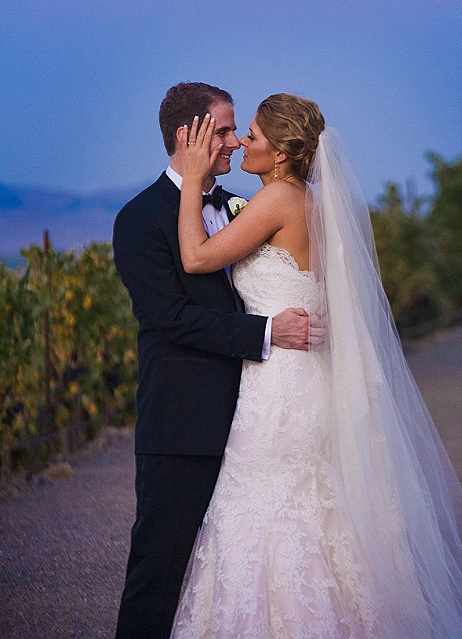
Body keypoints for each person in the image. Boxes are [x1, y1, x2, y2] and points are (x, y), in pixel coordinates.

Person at [170, 93, 462, 639]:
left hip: (279, 390)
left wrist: (192, 179)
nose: (241, 144)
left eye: (252, 136)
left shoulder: (278, 198)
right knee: (315, 511)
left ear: (280, 153)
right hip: (310, 380)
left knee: (266, 508)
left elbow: (195, 258)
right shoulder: (313, 201)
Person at [112, 83, 312, 639]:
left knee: (243, 571)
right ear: (188, 136)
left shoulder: (245, 205)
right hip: (185, 422)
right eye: (223, 130)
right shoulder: (139, 218)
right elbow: (169, 317)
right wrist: (266, 331)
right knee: (159, 570)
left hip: (260, 420)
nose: (235, 141)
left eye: (235, 130)